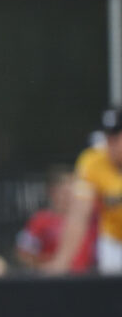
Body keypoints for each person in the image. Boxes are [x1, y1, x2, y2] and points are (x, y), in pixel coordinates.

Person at [44, 108, 122, 274]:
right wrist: (61, 262)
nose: (111, 144)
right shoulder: (92, 161)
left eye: (117, 137)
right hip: (114, 241)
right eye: (109, 137)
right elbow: (78, 215)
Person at [16, 167, 97, 273]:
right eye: (64, 192)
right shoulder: (40, 219)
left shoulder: (91, 219)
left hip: (87, 278)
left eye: (71, 193)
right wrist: (45, 264)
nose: (68, 197)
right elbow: (23, 252)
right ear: (52, 192)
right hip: (55, 279)